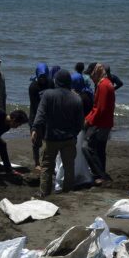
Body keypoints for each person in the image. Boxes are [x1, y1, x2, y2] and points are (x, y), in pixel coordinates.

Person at [32, 69, 84, 198]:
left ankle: (44, 191)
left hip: (51, 138)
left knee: (47, 166)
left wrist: (35, 129)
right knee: (69, 166)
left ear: (56, 81)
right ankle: (68, 191)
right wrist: (74, 134)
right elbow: (80, 123)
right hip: (69, 138)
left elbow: (40, 114)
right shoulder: (76, 98)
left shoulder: (48, 95)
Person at [83, 63, 115, 187]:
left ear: (96, 72)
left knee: (86, 147)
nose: (91, 78)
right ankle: (102, 174)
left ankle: (99, 174)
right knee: (100, 149)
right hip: (106, 122)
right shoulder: (107, 83)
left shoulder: (103, 86)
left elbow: (99, 109)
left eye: (91, 74)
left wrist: (88, 121)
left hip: (101, 123)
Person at [28, 62, 52, 169]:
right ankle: (37, 162)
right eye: (41, 77)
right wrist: (34, 126)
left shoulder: (50, 83)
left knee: (49, 140)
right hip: (36, 114)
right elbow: (34, 106)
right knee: (36, 141)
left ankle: (46, 161)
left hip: (48, 116)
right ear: (37, 75)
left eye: (44, 76)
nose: (43, 79)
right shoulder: (33, 87)